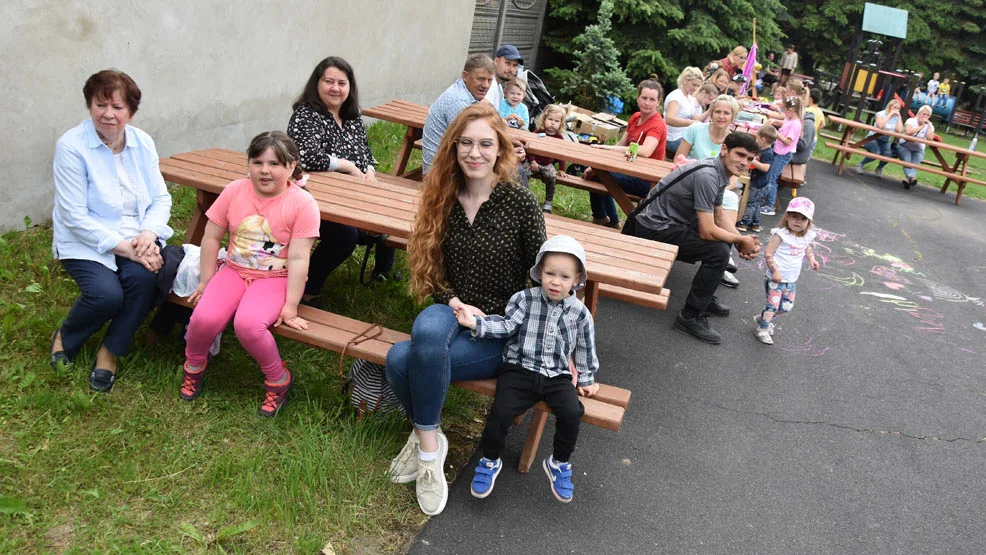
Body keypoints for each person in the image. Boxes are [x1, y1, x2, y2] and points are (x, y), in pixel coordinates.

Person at [385, 103, 546, 516]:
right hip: (450, 307)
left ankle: (423, 441)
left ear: (500, 150)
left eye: (485, 144)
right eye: (467, 143)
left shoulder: (520, 204)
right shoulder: (441, 198)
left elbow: (540, 281)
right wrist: (453, 300)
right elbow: (432, 270)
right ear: (454, 147)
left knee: (402, 359)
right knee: (426, 335)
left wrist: (495, 321)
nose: (475, 153)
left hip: (498, 327)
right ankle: (430, 448)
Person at [178, 132, 319, 416]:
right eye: (258, 162)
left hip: (275, 279)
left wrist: (290, 306)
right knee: (203, 318)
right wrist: (206, 280)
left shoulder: (302, 204)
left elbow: (298, 258)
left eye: (275, 164)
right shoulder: (234, 190)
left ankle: (278, 378)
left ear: (291, 166)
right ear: (249, 164)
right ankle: (194, 364)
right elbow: (210, 237)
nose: (265, 170)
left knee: (248, 324)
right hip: (233, 271)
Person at [50, 69, 173, 393]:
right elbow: (74, 216)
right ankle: (66, 336)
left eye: (117, 107)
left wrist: (148, 235)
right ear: (89, 105)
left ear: (130, 112)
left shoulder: (142, 142)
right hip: (86, 241)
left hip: (136, 236)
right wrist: (128, 249)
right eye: (100, 104)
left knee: (144, 282)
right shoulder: (72, 147)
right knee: (106, 295)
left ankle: (110, 351)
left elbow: (160, 197)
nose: (108, 114)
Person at [458, 235, 598, 503]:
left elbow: (584, 348)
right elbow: (507, 325)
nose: (555, 282)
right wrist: (477, 324)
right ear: (539, 272)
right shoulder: (524, 300)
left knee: (571, 412)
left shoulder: (580, 313)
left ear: (577, 278)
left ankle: (559, 463)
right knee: (500, 413)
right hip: (519, 369)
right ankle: (489, 460)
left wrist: (587, 378)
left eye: (564, 277)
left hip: (557, 375)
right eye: (549, 273)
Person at [628, 132, 762, 345]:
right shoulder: (708, 176)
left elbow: (718, 215)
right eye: (741, 155)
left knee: (724, 242)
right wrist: (739, 241)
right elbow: (707, 231)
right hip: (652, 228)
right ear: (725, 149)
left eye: (749, 159)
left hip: (668, 222)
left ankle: (705, 298)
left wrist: (740, 238)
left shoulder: (720, 172)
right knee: (718, 251)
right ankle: (689, 317)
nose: (744, 163)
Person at [287, 56, 397, 305]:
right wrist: (347, 166)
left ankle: (383, 272)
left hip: (353, 195)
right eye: (329, 81)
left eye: (342, 83)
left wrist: (368, 171)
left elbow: (366, 154)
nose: (336, 88)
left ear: (350, 87)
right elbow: (307, 157)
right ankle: (308, 290)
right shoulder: (306, 115)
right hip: (313, 198)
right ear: (317, 83)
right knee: (344, 236)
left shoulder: (352, 116)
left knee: (388, 213)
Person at [584, 77, 667, 228]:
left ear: (658, 102)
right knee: (595, 172)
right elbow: (622, 144)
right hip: (628, 169)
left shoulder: (657, 124)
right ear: (638, 98)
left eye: (652, 99)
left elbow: (646, 151)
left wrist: (608, 149)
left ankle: (605, 218)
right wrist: (598, 163)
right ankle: (607, 219)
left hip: (646, 180)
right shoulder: (635, 117)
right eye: (644, 98)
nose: (647, 103)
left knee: (598, 175)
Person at [755, 197, 819, 345]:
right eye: (795, 216)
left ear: (808, 222)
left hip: (791, 279)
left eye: (803, 219)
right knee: (772, 306)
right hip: (775, 279)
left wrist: (812, 259)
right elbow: (768, 253)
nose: (798, 221)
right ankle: (762, 329)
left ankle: (763, 318)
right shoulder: (781, 234)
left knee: (786, 307)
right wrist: (775, 271)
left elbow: (806, 247)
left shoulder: (806, 236)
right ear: (787, 216)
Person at [421, 54, 496, 173]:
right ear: (465, 76)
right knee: (509, 167)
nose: (486, 85)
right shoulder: (458, 101)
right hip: (440, 174)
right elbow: (474, 139)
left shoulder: (465, 91)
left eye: (489, 80)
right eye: (481, 79)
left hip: (448, 164)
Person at [761, 96, 803, 216]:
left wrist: (776, 134)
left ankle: (770, 206)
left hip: (782, 154)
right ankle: (767, 200)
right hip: (778, 151)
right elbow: (784, 123)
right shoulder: (790, 119)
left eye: (784, 110)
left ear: (791, 110)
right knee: (770, 176)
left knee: (771, 178)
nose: (783, 112)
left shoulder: (795, 124)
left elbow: (788, 142)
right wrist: (774, 122)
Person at [737, 125, 779, 232]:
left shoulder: (768, 153)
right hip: (760, 182)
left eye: (757, 138)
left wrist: (753, 161)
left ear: (763, 139)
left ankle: (744, 223)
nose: (756, 140)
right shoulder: (763, 150)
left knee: (750, 203)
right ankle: (755, 224)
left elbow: (765, 168)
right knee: (756, 204)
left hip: (760, 183)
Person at [527, 104, 568, 213]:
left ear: (561, 124)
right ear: (544, 119)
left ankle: (548, 201)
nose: (553, 123)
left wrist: (562, 169)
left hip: (547, 164)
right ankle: (524, 197)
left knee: (551, 177)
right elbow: (529, 147)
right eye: (550, 119)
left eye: (556, 121)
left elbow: (561, 155)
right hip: (534, 161)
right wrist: (532, 161)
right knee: (523, 172)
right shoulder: (538, 133)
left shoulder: (559, 138)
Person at [851, 98, 903, 177]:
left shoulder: (896, 118)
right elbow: (880, 125)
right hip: (872, 138)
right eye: (894, 107)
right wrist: (889, 115)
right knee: (876, 153)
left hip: (885, 141)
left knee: (888, 156)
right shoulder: (880, 114)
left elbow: (899, 130)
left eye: (898, 108)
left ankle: (879, 168)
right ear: (889, 107)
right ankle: (860, 165)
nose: (896, 110)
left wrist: (899, 117)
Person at [664, 67, 707, 157]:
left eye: (698, 86)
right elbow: (669, 119)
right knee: (699, 152)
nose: (695, 88)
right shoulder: (676, 97)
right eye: (693, 85)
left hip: (684, 135)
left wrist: (711, 110)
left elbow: (696, 118)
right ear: (685, 80)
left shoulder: (690, 98)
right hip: (672, 138)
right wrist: (691, 123)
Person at [898, 105, 936, 189]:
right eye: (923, 114)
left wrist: (929, 126)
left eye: (927, 115)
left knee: (915, 164)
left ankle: (909, 179)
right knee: (907, 161)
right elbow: (908, 132)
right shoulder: (911, 121)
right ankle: (911, 177)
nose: (925, 117)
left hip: (918, 149)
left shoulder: (930, 125)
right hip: (905, 146)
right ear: (919, 114)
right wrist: (921, 127)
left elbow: (930, 138)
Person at [485, 44, 523, 110]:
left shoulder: (498, 86)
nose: (511, 69)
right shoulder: (488, 85)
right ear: (496, 61)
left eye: (514, 65)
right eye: (507, 63)